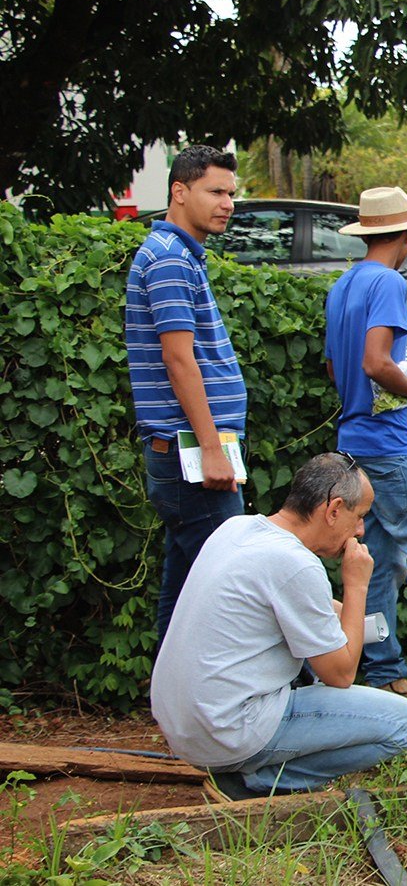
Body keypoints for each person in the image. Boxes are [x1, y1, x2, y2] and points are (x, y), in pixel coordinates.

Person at [151, 453, 407, 801]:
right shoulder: (296, 564)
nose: (360, 531)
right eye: (360, 517)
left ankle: (244, 770)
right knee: (402, 723)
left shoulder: (237, 528)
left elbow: (316, 612)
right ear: (334, 509)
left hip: (184, 725)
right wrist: (357, 586)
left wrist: (349, 613)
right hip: (227, 731)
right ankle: (256, 783)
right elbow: (340, 674)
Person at [324, 187, 407, 711]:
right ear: (405, 236)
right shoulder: (387, 282)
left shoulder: (344, 283)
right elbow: (376, 362)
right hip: (390, 444)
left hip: (353, 440)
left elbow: (338, 368)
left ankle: (381, 673)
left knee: (375, 559)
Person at [125, 145, 246, 645]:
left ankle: (170, 710)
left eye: (231, 194)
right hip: (191, 455)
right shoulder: (170, 259)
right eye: (215, 191)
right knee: (240, 583)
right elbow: (179, 360)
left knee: (183, 592)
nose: (227, 203)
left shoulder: (179, 255)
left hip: (195, 451)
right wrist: (212, 448)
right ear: (179, 192)